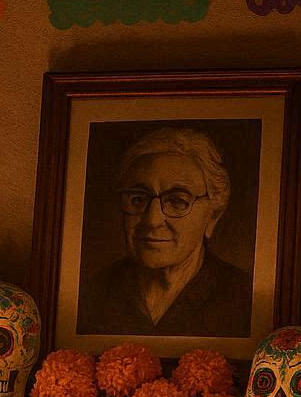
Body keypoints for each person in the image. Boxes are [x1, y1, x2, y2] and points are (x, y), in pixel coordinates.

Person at [76, 127, 253, 337]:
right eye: (138, 199)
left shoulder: (242, 298)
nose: (152, 220)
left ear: (213, 215)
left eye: (178, 201)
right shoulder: (93, 294)